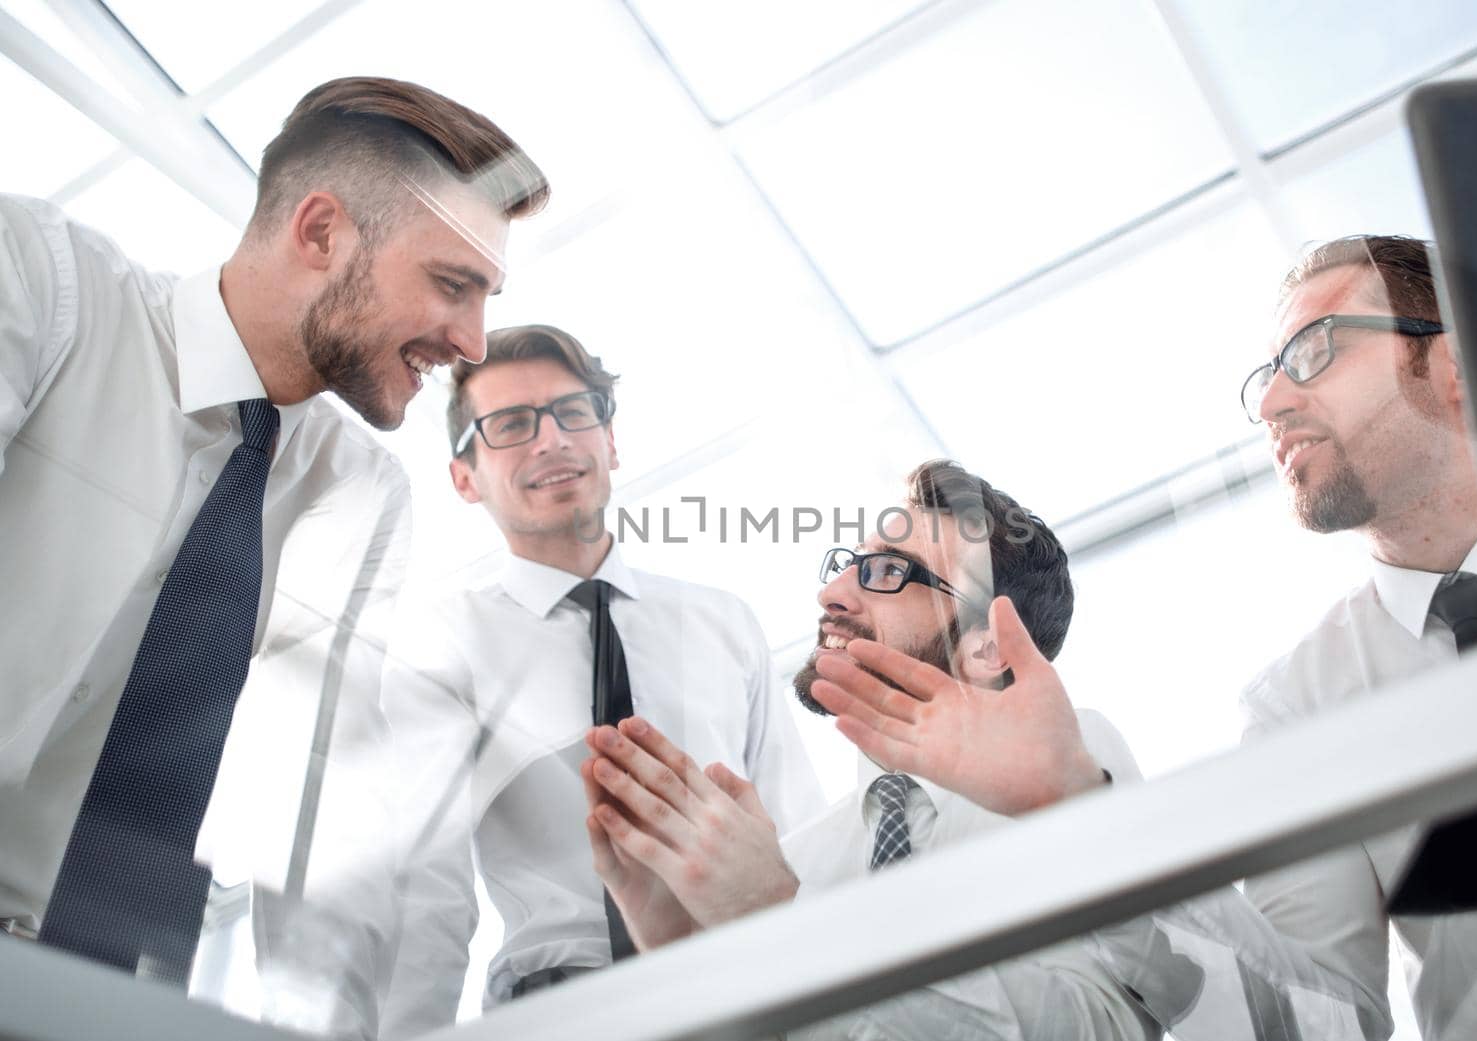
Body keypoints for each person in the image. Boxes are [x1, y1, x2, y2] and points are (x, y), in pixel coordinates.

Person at [828, 238, 1477, 1040]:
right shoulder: (1300, 706)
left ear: (1455, 361)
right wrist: (1086, 815)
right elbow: (1328, 1023)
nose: (1271, 405)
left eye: (1315, 349)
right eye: (1266, 378)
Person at [0, 75, 545, 990]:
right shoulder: (46, 286)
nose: (476, 342)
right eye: (453, 285)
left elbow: (322, 803)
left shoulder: (356, 490)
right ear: (321, 231)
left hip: (98, 992)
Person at [582, 460, 1157, 1041]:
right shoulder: (802, 859)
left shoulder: (1070, 775)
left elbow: (1104, 1028)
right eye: (849, 564)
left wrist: (782, 918)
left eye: (887, 571)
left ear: (987, 648)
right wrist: (682, 955)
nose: (831, 593)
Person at [375, 324, 823, 1037]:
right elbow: (426, 892)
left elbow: (801, 835)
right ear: (465, 477)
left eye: (573, 411)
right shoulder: (440, 645)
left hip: (740, 990)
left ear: (610, 442)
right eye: (511, 424)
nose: (550, 440)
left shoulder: (724, 623)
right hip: (556, 1010)